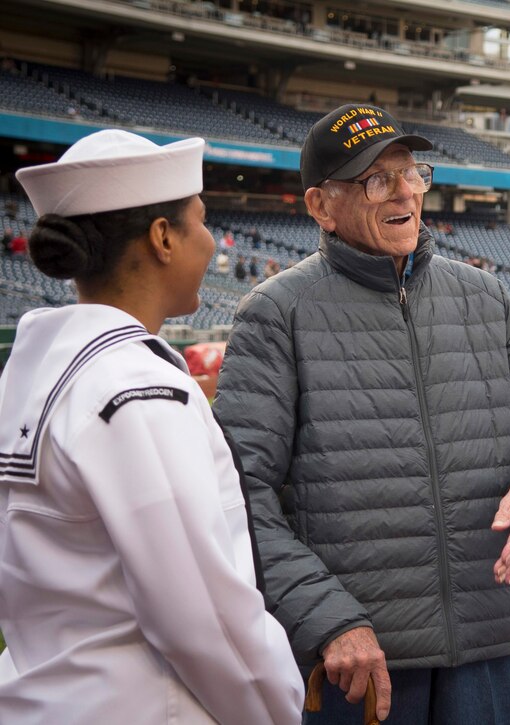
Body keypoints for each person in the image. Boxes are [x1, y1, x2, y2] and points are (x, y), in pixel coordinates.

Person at [214, 103, 510, 725]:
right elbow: (239, 496)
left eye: (413, 173)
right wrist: (327, 618)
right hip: (358, 665)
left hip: (481, 650)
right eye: (376, 180)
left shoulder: (483, 296)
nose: (406, 192)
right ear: (320, 206)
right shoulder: (275, 314)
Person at [0, 129, 303, 723]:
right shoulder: (136, 390)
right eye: (201, 219)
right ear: (163, 237)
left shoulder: (30, 375)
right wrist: (279, 710)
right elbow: (202, 616)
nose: (212, 242)